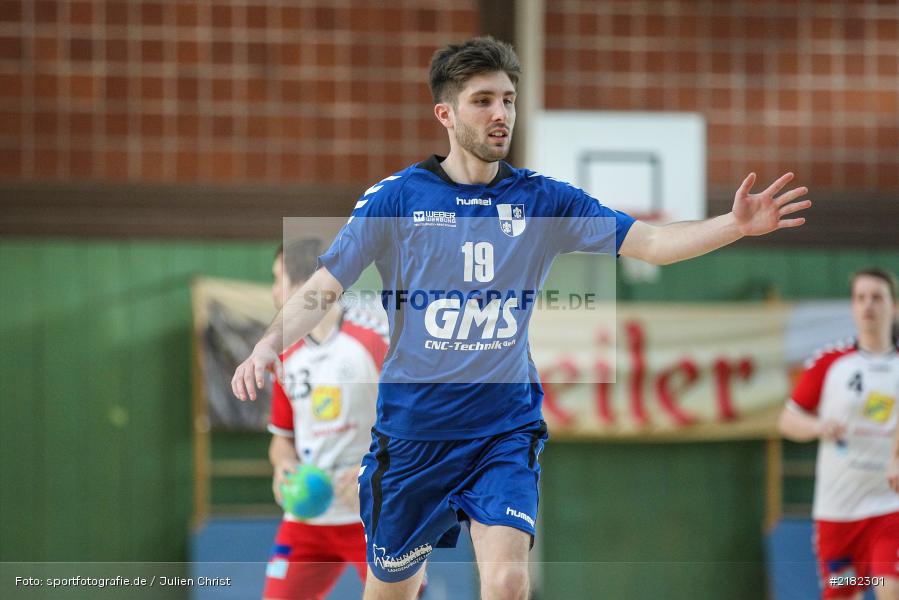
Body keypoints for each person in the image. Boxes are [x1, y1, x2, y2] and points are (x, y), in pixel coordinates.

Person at [234, 37, 811, 600]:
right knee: (391, 590)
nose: (500, 113)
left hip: (502, 430)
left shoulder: (542, 200)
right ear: (446, 112)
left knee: (508, 583)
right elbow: (322, 286)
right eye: (483, 100)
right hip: (412, 436)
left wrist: (733, 226)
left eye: (507, 99)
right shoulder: (396, 198)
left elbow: (654, 243)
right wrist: (268, 346)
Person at [263, 240, 389, 600]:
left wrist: (375, 467)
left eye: (278, 279)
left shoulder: (373, 339)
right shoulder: (284, 355)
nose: (274, 291)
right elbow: (281, 436)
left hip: (371, 515)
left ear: (304, 284)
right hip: (308, 517)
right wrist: (283, 464)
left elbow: (416, 424)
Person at [779, 268, 899, 600]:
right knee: (847, 591)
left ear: (894, 306)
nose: (868, 306)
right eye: (860, 298)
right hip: (839, 512)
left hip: (890, 507)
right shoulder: (831, 363)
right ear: (852, 307)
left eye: (877, 297)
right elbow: (787, 420)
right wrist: (818, 426)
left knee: (889, 587)